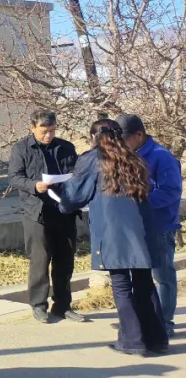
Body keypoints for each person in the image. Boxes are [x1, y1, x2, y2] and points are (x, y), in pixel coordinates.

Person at [56, 119, 168, 356]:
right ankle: (156, 339)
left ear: (94, 137)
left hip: (113, 230)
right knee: (145, 283)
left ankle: (132, 340)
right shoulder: (134, 157)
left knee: (121, 284)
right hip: (142, 228)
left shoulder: (93, 159)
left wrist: (62, 200)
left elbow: (74, 195)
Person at [8, 109, 84, 323]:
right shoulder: (21, 148)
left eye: (52, 130)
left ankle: (63, 305)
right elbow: (14, 177)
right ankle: (38, 305)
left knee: (65, 259)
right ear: (32, 128)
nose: (48, 135)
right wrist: (34, 185)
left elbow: (76, 173)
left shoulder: (66, 147)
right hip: (36, 211)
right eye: (44, 131)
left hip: (64, 210)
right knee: (40, 260)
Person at [117, 114, 182, 337]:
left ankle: (165, 321)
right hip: (135, 226)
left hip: (159, 226)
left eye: (125, 139)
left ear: (139, 135)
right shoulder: (128, 155)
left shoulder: (161, 157)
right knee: (141, 277)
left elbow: (171, 192)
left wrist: (139, 202)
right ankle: (146, 319)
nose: (121, 144)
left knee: (163, 276)